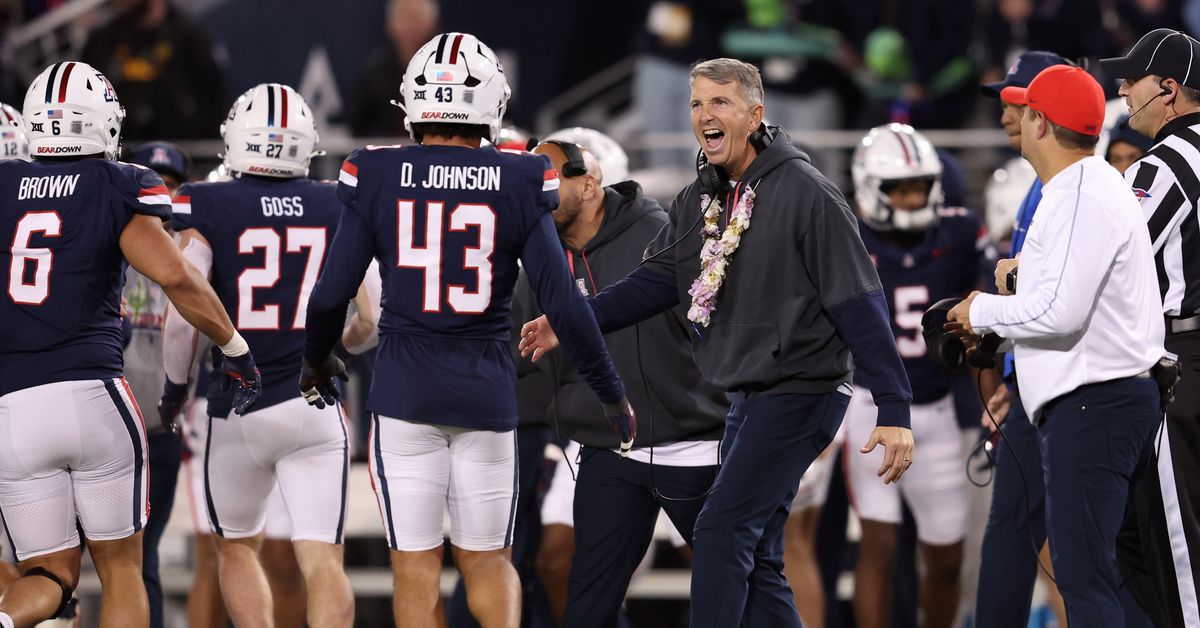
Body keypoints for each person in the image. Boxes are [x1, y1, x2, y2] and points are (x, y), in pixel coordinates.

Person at [520, 57, 915, 627]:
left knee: (723, 530)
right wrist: (570, 320)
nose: (706, 115)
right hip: (745, 399)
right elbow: (653, 283)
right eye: (697, 104)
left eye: (720, 102)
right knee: (752, 556)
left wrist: (894, 406)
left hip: (802, 391)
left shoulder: (807, 193)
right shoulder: (701, 198)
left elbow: (860, 303)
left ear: (755, 115)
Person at [300, 32, 633, 628]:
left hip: (404, 394)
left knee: (416, 570)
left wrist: (315, 357)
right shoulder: (520, 177)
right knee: (489, 563)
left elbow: (329, 293)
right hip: (485, 393)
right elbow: (564, 302)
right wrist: (610, 392)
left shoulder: (374, 170)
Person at [0, 60, 260, 628]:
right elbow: (176, 278)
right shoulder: (120, 184)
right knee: (122, 569)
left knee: (48, 575)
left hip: (13, 409)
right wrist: (235, 346)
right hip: (93, 394)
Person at [948, 63, 1165, 627]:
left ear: (1041, 124)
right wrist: (1017, 285)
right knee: (1113, 578)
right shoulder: (1084, 187)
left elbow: (1061, 313)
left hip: (1095, 406)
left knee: (1086, 579)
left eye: (1025, 110)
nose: (1014, 117)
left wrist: (982, 311)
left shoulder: (1078, 194)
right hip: (1107, 402)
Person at [158, 83, 354, 628]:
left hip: (238, 403)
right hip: (315, 401)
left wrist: (175, 392)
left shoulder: (207, 201)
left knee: (237, 550)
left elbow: (180, 320)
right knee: (324, 561)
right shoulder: (336, 199)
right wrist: (347, 345)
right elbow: (375, 312)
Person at [515, 135, 727, 628]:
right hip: (609, 451)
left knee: (746, 585)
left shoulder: (658, 234)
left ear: (589, 186)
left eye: (550, 183)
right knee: (585, 602)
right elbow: (518, 352)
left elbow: (724, 324)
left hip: (692, 444)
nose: (538, 196)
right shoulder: (540, 257)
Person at [847, 123, 993, 628]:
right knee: (880, 543)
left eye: (919, 186)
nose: (912, 197)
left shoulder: (958, 232)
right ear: (871, 188)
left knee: (948, 556)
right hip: (870, 409)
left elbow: (984, 300)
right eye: (899, 188)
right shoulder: (848, 235)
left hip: (937, 409)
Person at [1101, 27, 1200, 627]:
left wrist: (1015, 279)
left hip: (1179, 361)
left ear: (1167, 89)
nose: (1122, 90)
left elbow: (1108, 256)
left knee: (1176, 547)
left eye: (1131, 80)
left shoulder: (1165, 164)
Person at [971, 49, 1072, 628]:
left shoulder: (1064, 185)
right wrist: (1012, 375)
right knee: (1021, 533)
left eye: (1017, 100)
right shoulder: (1038, 184)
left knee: (1043, 537)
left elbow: (1048, 298)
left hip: (1062, 390)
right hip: (1037, 383)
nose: (1005, 113)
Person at [123, 140, 190, 628]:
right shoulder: (109, 235)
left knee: (142, 562)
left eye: (172, 184)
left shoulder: (195, 251)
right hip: (107, 425)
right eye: (155, 181)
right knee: (59, 561)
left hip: (161, 430)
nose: (163, 193)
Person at [80, 0, 226, 141]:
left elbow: (215, 105)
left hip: (185, 155)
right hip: (122, 156)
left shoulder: (190, 39)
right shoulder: (101, 43)